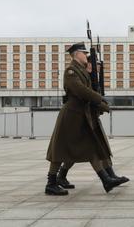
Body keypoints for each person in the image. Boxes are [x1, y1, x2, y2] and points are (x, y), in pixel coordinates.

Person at [45, 42, 124, 195]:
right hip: (71, 115)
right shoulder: (71, 71)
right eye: (84, 53)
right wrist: (99, 99)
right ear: (76, 54)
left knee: (87, 148)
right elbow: (81, 90)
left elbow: (88, 89)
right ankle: (51, 183)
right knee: (60, 150)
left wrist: (100, 103)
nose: (86, 56)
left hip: (80, 114)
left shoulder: (81, 70)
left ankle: (106, 179)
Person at [56, 60, 129, 190]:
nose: (97, 70)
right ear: (87, 65)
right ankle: (106, 178)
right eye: (94, 66)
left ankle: (109, 176)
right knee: (85, 149)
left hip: (89, 117)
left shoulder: (89, 79)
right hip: (78, 117)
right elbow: (86, 97)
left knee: (96, 147)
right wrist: (102, 104)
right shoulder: (78, 76)